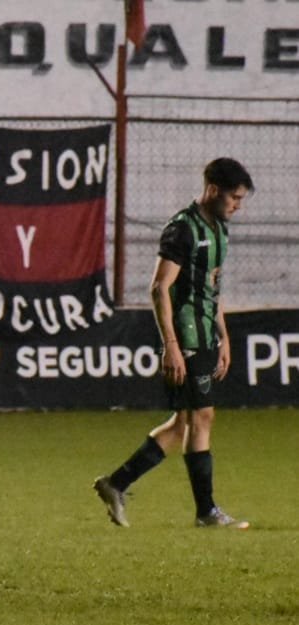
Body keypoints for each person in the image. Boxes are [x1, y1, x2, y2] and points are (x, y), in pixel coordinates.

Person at [93, 157, 254, 529]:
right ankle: (206, 512)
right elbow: (159, 288)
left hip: (206, 335)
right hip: (185, 337)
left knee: (183, 423)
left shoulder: (219, 229)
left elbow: (212, 288)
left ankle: (116, 483)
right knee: (201, 417)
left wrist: (224, 337)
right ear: (212, 190)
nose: (237, 205)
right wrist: (171, 345)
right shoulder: (182, 229)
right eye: (234, 197)